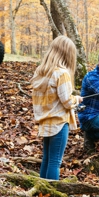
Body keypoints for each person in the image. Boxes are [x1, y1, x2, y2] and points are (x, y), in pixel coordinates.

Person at [31, 35, 82, 181]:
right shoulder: (62, 73)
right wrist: (77, 99)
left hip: (45, 121)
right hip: (59, 123)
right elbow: (67, 101)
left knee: (47, 159)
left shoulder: (41, 72)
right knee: (55, 162)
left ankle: (43, 192)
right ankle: (53, 196)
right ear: (68, 54)